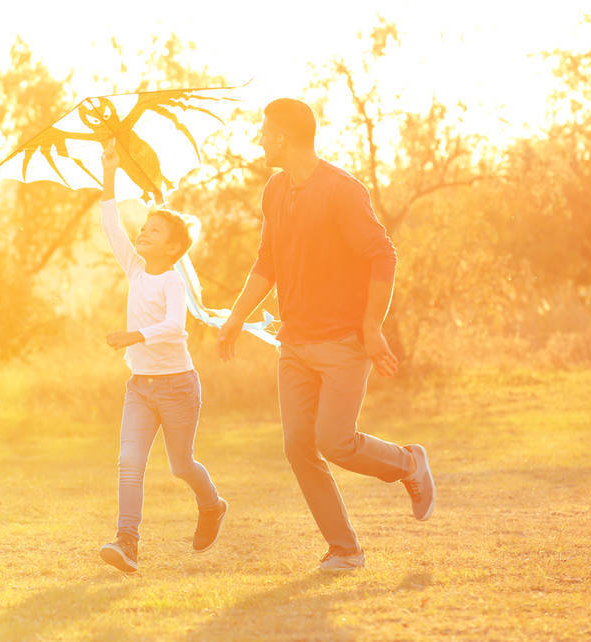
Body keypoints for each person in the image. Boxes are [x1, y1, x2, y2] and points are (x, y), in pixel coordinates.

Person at [217, 98, 435, 572]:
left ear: (282, 137)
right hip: (294, 344)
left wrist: (371, 326)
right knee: (299, 445)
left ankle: (408, 464)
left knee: (335, 441)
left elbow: (383, 256)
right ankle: (345, 548)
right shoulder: (275, 190)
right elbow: (266, 263)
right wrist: (235, 318)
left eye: (263, 131)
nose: (258, 139)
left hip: (342, 344)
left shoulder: (342, 190)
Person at [96, 139, 227, 574]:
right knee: (129, 463)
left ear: (172, 249)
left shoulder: (173, 281)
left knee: (180, 465)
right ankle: (127, 542)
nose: (144, 232)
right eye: (145, 228)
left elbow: (177, 327)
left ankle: (211, 504)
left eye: (154, 231)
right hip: (140, 388)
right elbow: (112, 224)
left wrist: (133, 336)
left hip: (177, 387)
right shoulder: (134, 269)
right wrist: (110, 171)